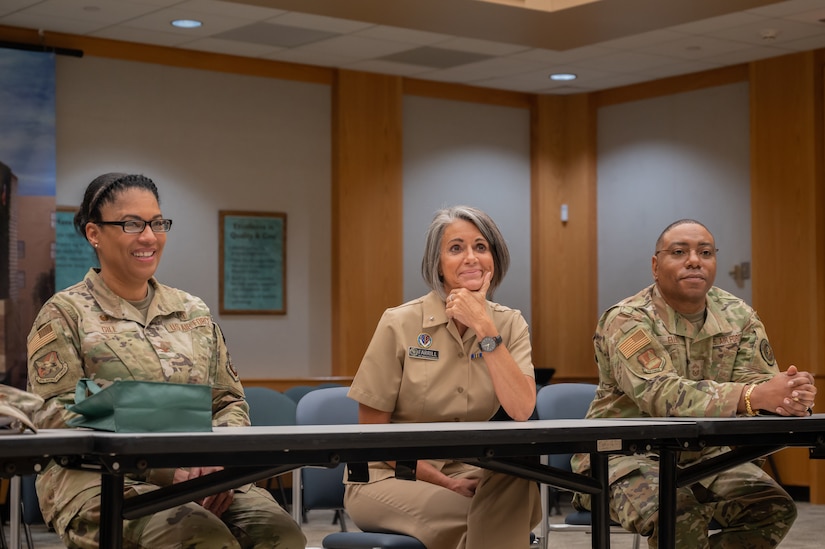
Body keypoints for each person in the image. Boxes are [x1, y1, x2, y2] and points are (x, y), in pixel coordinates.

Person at [26, 173, 306, 549]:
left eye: (158, 223)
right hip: (99, 482)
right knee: (201, 538)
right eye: (132, 224)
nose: (149, 236)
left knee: (282, 535)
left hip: (207, 474)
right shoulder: (64, 314)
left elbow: (227, 402)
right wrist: (172, 467)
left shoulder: (192, 311)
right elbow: (57, 413)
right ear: (94, 233)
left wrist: (216, 466)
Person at [571, 218, 817, 548]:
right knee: (676, 512)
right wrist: (753, 395)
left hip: (705, 457)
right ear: (656, 266)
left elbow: (758, 383)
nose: (694, 260)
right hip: (622, 455)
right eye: (679, 251)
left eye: (705, 252)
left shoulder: (738, 315)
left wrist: (790, 396)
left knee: (772, 508)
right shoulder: (627, 318)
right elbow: (660, 393)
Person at [344, 205, 542, 549]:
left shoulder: (509, 324)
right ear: (437, 263)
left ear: (495, 258)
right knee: (495, 517)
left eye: (481, 247)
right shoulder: (399, 322)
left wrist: (483, 326)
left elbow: (521, 409)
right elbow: (373, 433)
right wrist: (444, 483)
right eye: (456, 248)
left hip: (469, 471)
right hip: (388, 475)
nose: (471, 258)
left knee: (520, 483)